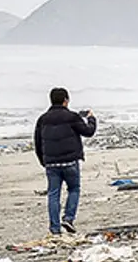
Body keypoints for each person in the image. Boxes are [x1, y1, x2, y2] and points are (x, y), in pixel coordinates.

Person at [34, 88, 97, 235]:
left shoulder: (42, 119)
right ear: (66, 100)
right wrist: (91, 118)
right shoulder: (71, 116)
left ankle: (55, 228)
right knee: (74, 189)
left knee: (53, 194)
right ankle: (68, 218)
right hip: (70, 161)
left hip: (51, 163)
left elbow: (37, 142)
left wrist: (43, 160)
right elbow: (88, 131)